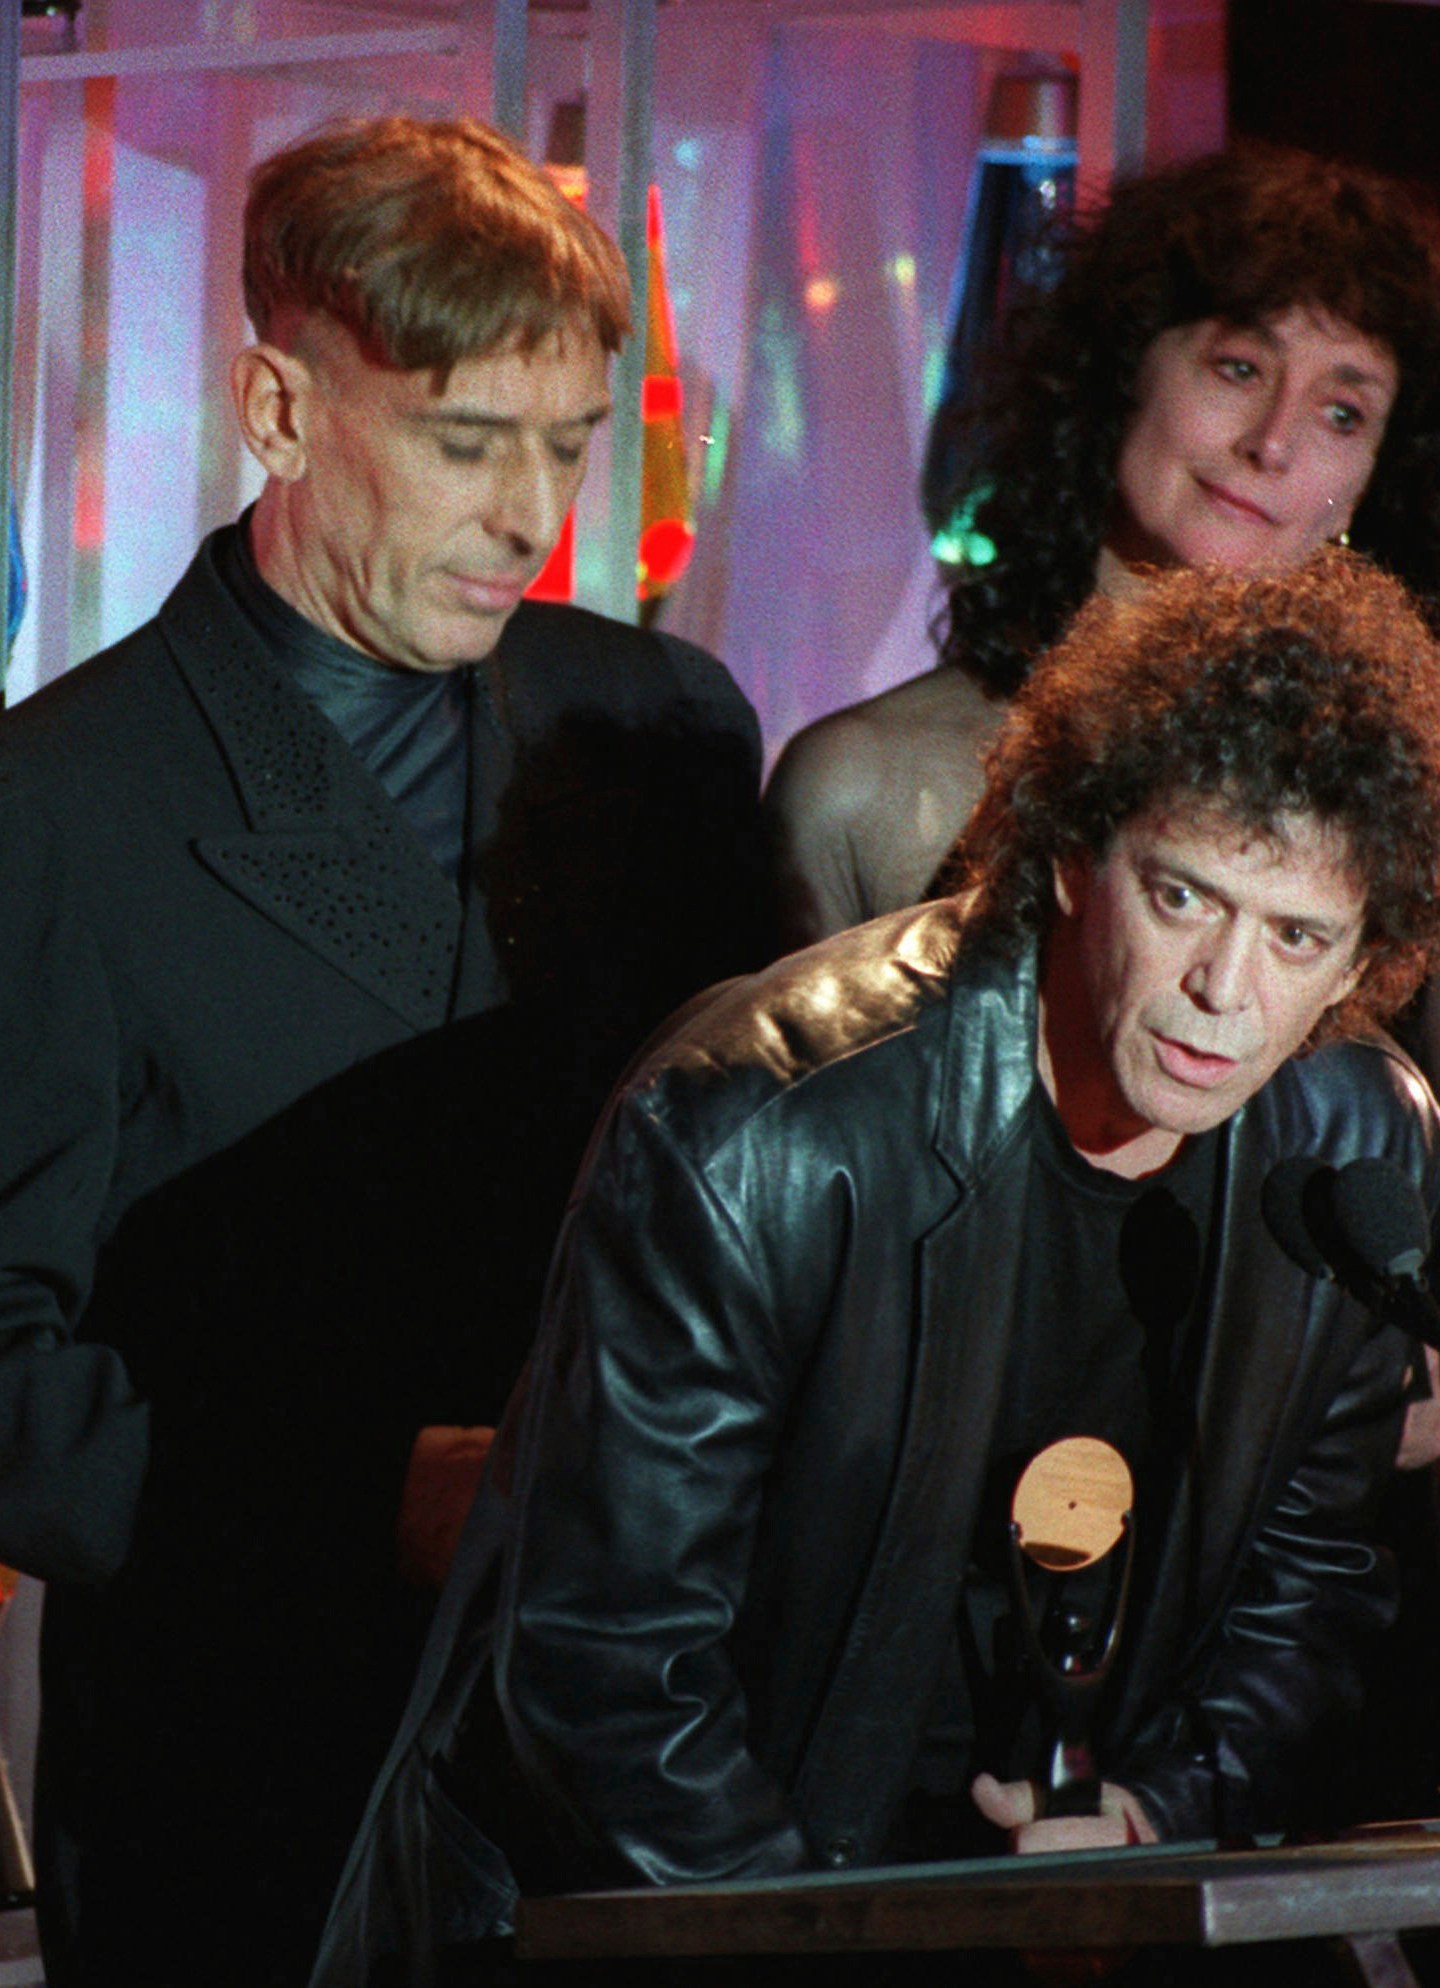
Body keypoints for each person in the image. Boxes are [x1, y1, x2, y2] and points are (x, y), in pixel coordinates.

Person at [313, 551, 1440, 1985]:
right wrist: (841, 1950)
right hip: (697, 1914)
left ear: (1359, 961)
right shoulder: (756, 1127)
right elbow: (610, 1670)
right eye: (1184, 897)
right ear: (1070, 854)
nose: (1230, 989)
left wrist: (1159, 1822)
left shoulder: (1349, 1155)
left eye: (1296, 937)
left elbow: (1311, 1587)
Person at [0, 115, 764, 1988]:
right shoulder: (57, 804)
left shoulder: (656, 725)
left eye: (569, 444)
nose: (531, 514)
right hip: (246, 1789)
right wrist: (381, 1500)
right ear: (276, 408)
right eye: (462, 442)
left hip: (623, 1760)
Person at [765, 146, 1440, 950]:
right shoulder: (862, 790)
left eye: (1342, 414)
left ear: (1377, 475)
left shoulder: (1415, 814)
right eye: (1239, 368)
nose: (1273, 443)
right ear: (1122, 370)